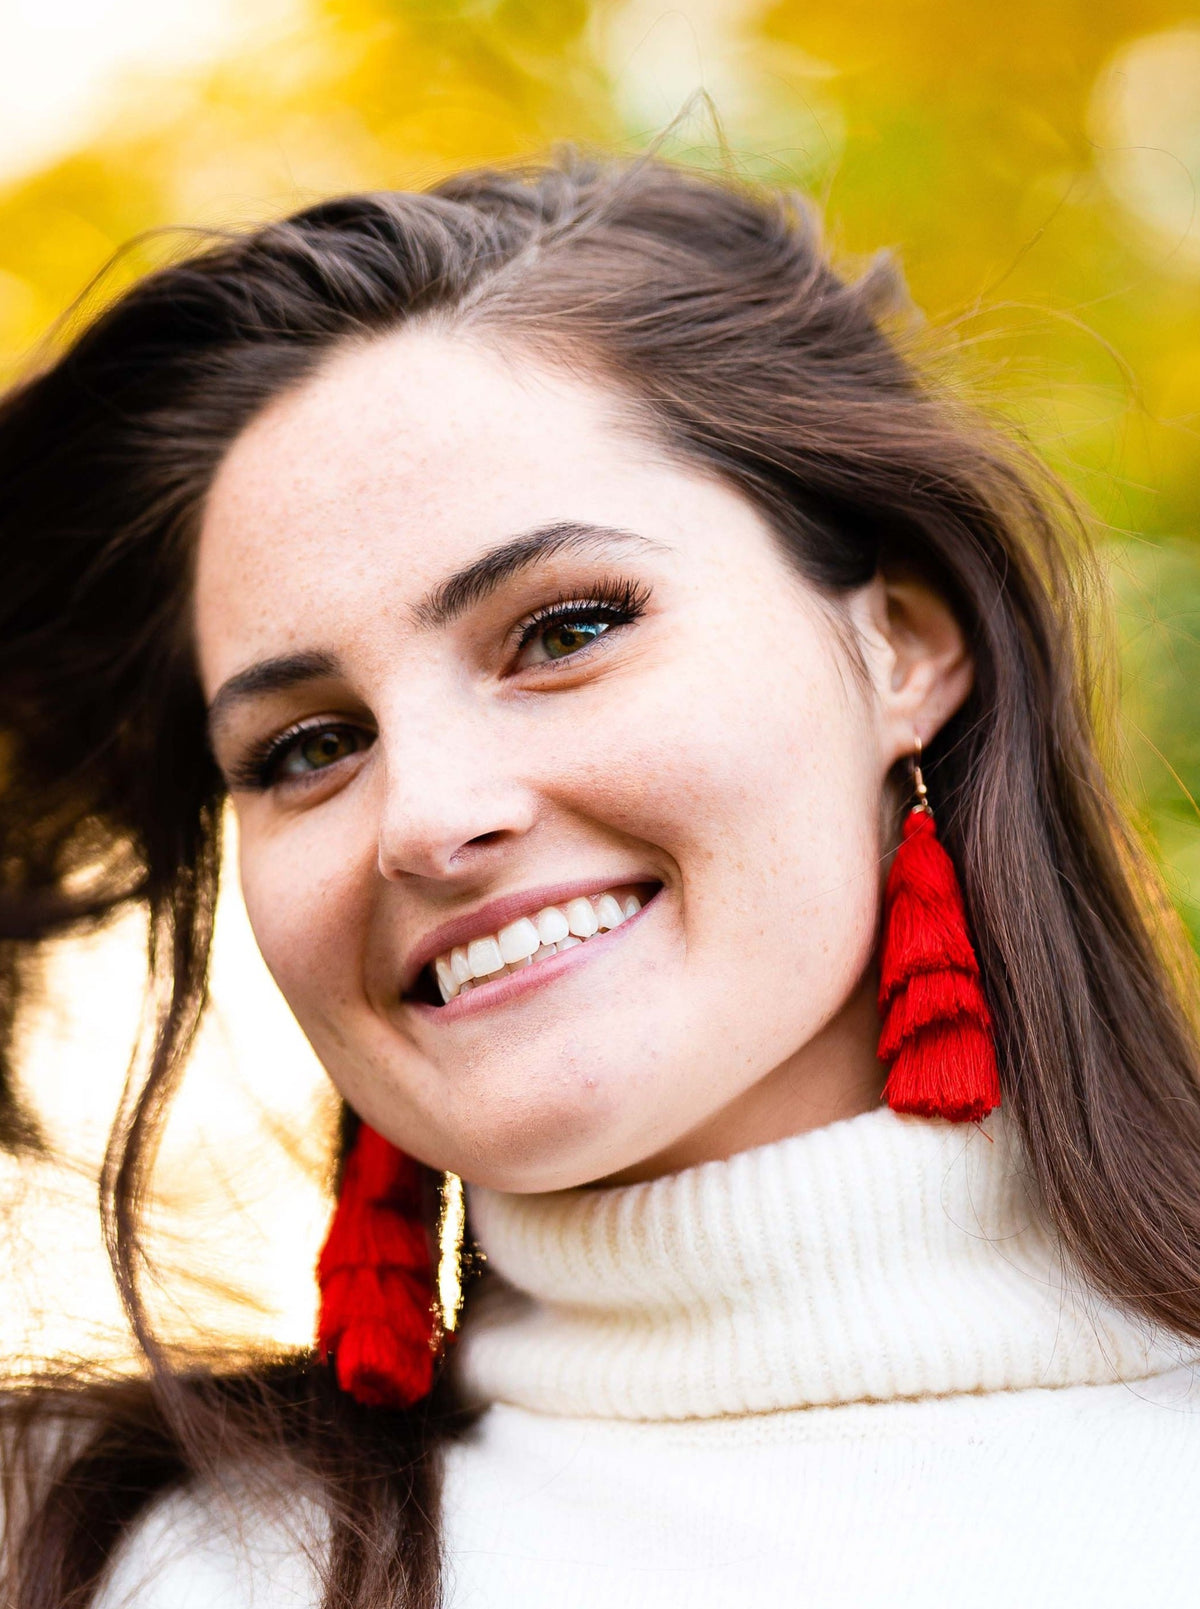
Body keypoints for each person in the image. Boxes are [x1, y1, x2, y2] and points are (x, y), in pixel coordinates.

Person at [2, 151, 1200, 1609]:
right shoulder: (101, 1556)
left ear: (897, 641)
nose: (429, 818)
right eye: (308, 744)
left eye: (565, 628)